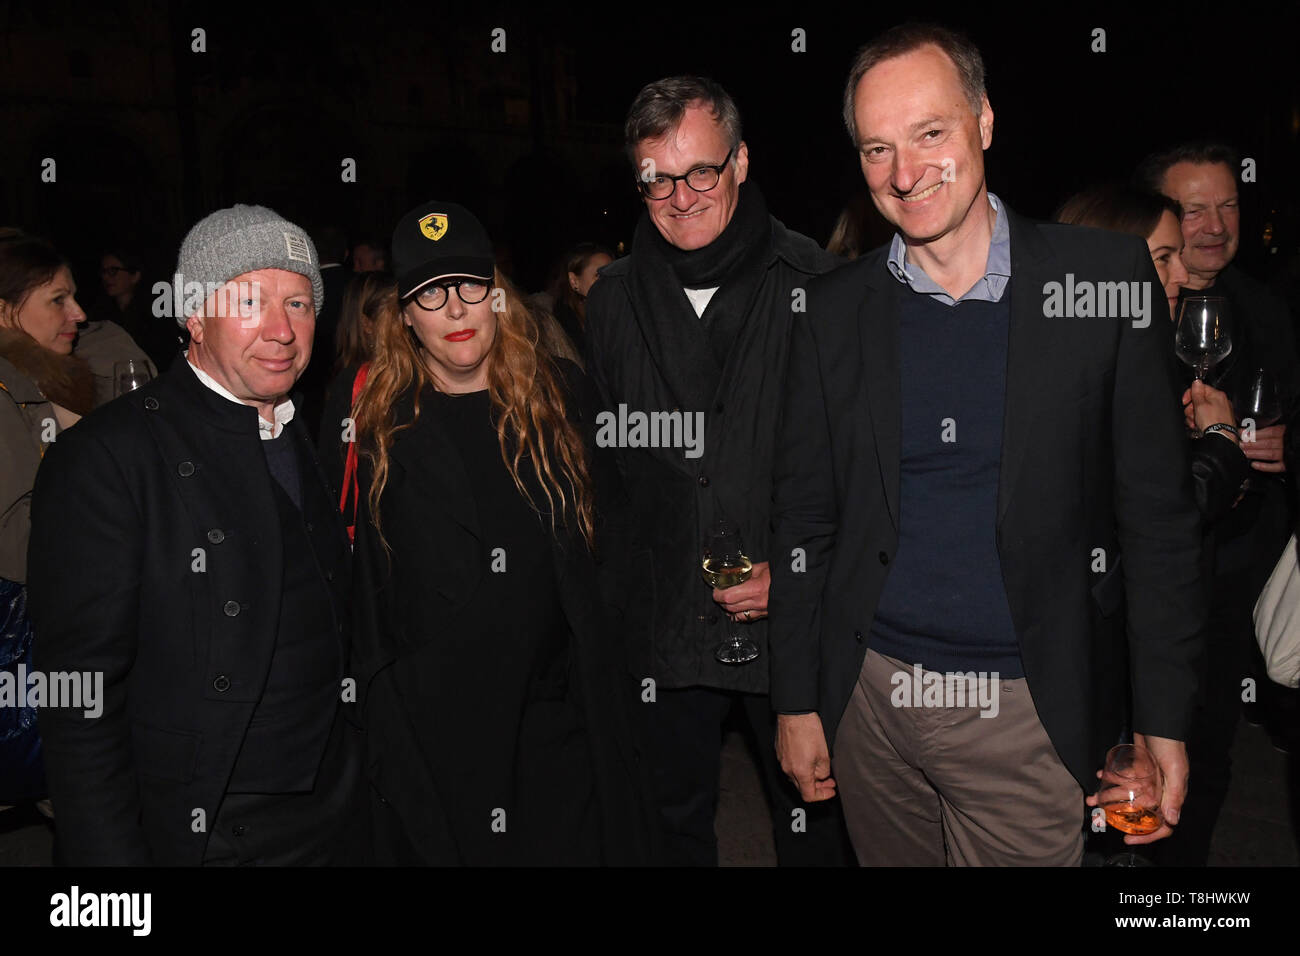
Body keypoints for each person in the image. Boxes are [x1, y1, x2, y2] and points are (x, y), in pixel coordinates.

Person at [769, 23, 1205, 866]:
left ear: (985, 122)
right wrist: (796, 701)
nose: (904, 173)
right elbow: (803, 520)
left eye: (930, 133)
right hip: (870, 701)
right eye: (876, 149)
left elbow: (1158, 520)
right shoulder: (830, 311)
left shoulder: (1105, 280)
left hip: (1027, 709)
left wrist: (1163, 722)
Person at [28, 205, 364, 865]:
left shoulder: (300, 430)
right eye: (249, 300)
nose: (281, 329)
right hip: (204, 834)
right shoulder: (109, 457)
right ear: (193, 315)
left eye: (298, 302)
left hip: (334, 820)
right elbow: (79, 702)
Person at [583, 76, 851, 866]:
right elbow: (605, 472)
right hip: (662, 631)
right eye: (656, 178)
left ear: (740, 162)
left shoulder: (821, 287)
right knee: (668, 836)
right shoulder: (610, 300)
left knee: (819, 833)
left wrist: (804, 578)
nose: (680, 196)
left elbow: (861, 480)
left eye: (700, 170)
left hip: (792, 632)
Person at [344, 200, 649, 865]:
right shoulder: (375, 426)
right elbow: (366, 595)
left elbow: (618, 547)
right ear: (405, 317)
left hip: (557, 717)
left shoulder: (563, 395)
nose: (454, 309)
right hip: (445, 729)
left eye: (469, 286)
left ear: (497, 297)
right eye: (430, 293)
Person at [1058, 184, 1253, 864]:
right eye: (1160, 259)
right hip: (1093, 665)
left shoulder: (1138, 352)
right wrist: (1222, 450)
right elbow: (1141, 517)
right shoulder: (1085, 369)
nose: (1179, 278)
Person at [1142, 142, 1300, 859]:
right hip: (1142, 572)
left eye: (1228, 204)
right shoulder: (1122, 309)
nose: (1214, 224)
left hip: (1235, 569)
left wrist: (1285, 450)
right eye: (1194, 208)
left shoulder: (1268, 307)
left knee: (1205, 746)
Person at [0, 233, 95, 811]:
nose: (78, 313)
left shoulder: (46, 383)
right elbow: (15, 541)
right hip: (37, 637)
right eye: (58, 299)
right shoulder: (11, 390)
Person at [547, 242, 613, 356]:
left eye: (612, 275)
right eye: (599, 276)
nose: (610, 283)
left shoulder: (619, 316)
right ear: (574, 281)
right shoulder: (560, 329)